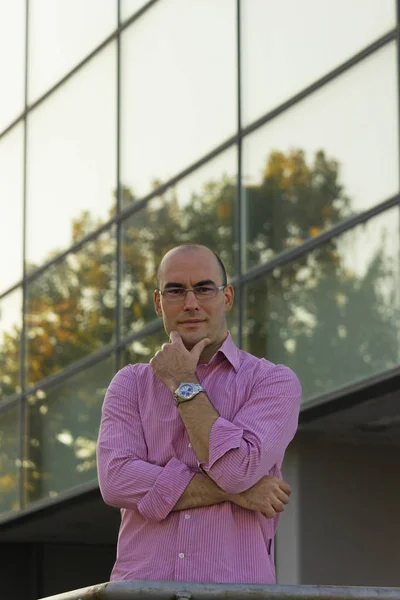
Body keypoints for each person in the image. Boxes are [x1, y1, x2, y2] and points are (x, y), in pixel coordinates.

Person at [97, 244, 301, 584]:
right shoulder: (129, 384)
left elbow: (236, 470)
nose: (191, 303)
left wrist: (183, 382)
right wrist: (237, 494)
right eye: (176, 291)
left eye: (204, 288)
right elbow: (117, 480)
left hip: (235, 593)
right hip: (142, 592)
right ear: (159, 303)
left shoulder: (273, 382)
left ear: (227, 297)